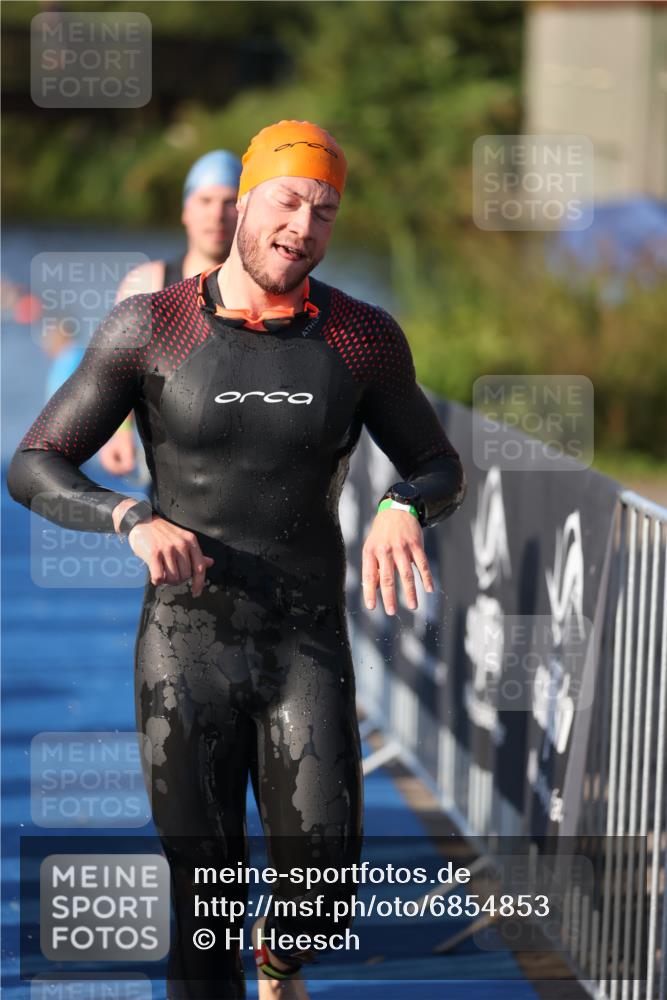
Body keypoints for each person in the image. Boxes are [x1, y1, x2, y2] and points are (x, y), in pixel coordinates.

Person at [8, 119, 467, 1000]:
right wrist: (129, 517)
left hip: (305, 643)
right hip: (186, 649)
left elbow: (435, 463)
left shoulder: (361, 338)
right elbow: (35, 463)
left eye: (324, 212)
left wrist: (404, 505)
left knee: (324, 894)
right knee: (202, 906)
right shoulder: (153, 327)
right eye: (289, 202)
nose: (303, 227)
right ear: (246, 203)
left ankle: (280, 961)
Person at [100, 148, 243, 477]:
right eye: (205, 201)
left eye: (228, 202)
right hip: (171, 470)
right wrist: (120, 434)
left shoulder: (266, 291)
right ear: (185, 211)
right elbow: (117, 372)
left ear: (246, 213)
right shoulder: (146, 284)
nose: (216, 215)